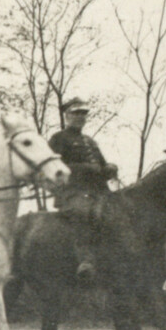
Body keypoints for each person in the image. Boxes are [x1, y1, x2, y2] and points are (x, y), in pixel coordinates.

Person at [49, 97, 119, 277]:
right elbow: (54, 167)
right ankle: (85, 260)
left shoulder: (90, 141)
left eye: (83, 114)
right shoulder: (58, 139)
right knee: (82, 212)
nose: (80, 117)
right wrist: (84, 168)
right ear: (67, 116)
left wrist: (109, 168)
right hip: (73, 192)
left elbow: (101, 166)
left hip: (99, 191)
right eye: (76, 113)